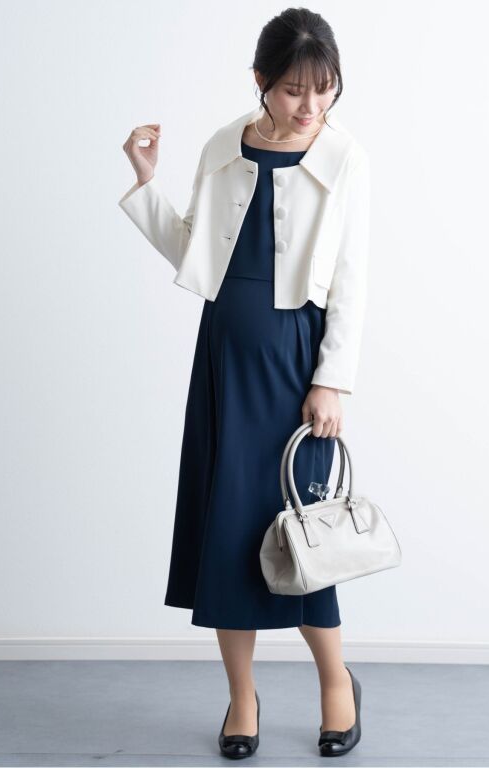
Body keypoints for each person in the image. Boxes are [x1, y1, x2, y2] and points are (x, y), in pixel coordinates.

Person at [119, 7, 368, 759]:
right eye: (293, 90)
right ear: (261, 80)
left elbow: (352, 279)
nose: (310, 105)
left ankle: (336, 684)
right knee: (230, 534)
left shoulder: (345, 158)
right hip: (225, 359)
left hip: (296, 365)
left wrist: (332, 381)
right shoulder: (223, 147)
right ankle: (241, 697)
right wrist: (146, 185)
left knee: (303, 531)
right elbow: (196, 253)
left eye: (324, 89)